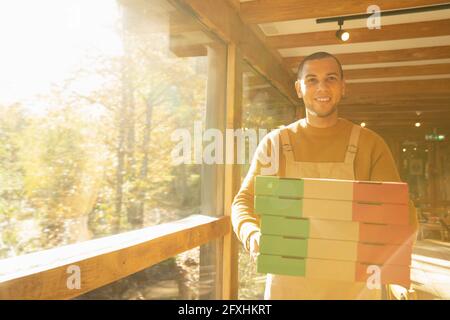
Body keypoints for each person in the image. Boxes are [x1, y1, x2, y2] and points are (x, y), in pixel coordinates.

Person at [231, 51, 419, 300]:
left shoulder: (369, 144)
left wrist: (395, 270)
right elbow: (243, 201)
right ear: (299, 88)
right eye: (312, 80)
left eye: (331, 78)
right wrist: (252, 234)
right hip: (288, 287)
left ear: (343, 86)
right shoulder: (275, 144)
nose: (322, 87)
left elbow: (401, 211)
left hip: (356, 289)